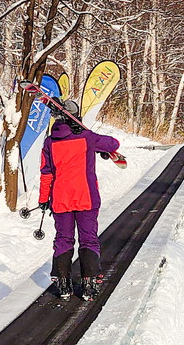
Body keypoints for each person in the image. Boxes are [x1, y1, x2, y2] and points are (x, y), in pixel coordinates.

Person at [38, 99, 122, 301]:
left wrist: (43, 199)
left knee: (63, 239)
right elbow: (113, 143)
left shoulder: (50, 142)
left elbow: (46, 173)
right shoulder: (87, 137)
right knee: (88, 238)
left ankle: (63, 282)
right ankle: (89, 282)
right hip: (86, 197)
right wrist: (99, 147)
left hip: (61, 198)